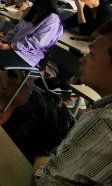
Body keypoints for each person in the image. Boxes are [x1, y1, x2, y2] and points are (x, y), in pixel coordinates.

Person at [33, 32, 112, 185]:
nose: (82, 59)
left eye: (92, 54)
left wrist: (39, 158)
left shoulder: (103, 121)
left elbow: (45, 181)